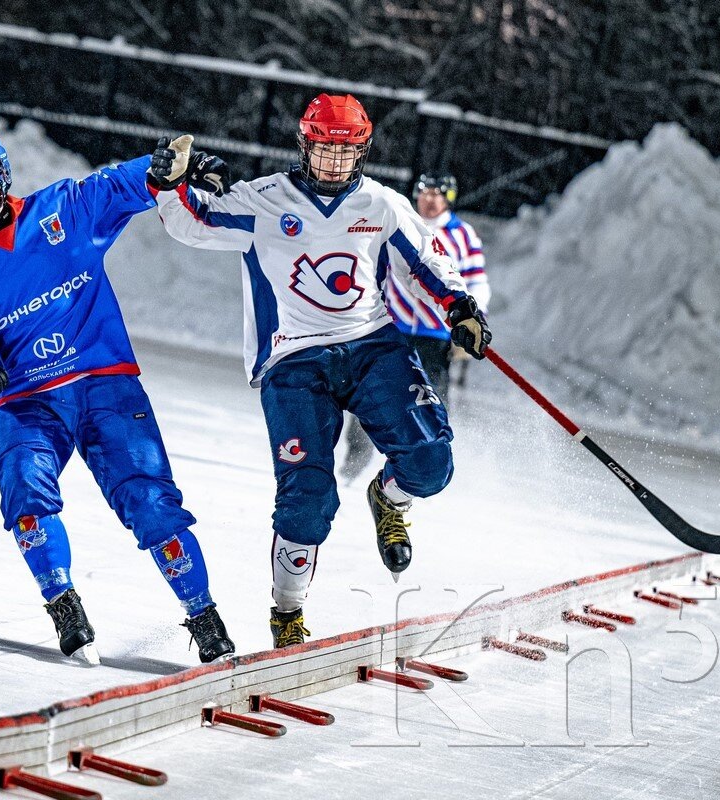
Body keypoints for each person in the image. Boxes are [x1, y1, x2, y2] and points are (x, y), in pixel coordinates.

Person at [146, 94, 491, 648]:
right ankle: (288, 613)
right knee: (308, 500)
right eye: (324, 150)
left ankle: (389, 498)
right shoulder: (264, 201)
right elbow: (193, 221)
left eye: (347, 151)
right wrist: (168, 183)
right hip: (293, 360)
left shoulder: (380, 204)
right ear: (305, 146)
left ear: (363, 153)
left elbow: (426, 258)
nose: (334, 162)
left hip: (370, 344)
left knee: (431, 462)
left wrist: (459, 306)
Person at [0, 128, 235, 665]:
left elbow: (120, 184)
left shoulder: (60, 210)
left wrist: (164, 168)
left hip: (105, 382)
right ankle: (65, 607)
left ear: (1, 179)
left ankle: (204, 617)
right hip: (25, 399)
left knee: (152, 503)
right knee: (25, 494)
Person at [339, 172, 492, 482]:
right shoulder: (400, 221)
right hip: (390, 327)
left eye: (438, 194)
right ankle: (353, 466)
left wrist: (472, 321)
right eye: (425, 192)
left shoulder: (462, 234)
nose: (430, 199)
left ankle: (423, 471)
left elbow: (476, 282)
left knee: (430, 400)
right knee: (369, 392)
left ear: (449, 199)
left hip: (434, 335)